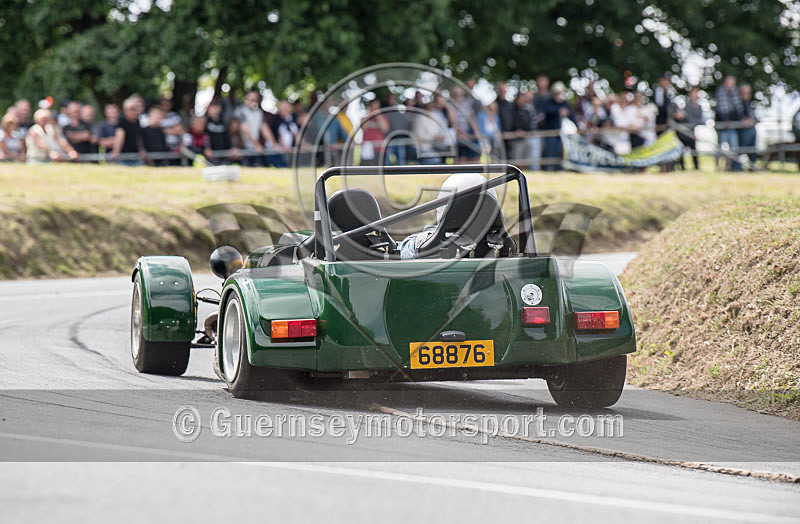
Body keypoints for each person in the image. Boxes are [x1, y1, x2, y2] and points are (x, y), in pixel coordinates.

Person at [541, 81, 575, 170]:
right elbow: (548, 112)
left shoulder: (565, 103)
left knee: (561, 153)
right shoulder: (548, 103)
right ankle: (549, 169)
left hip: (562, 134)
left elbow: (572, 116)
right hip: (551, 133)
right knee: (551, 153)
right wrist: (558, 111)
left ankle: (560, 169)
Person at [714, 75, 743, 171]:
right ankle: (717, 167)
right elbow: (722, 108)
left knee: (733, 146)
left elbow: (738, 107)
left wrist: (738, 119)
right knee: (720, 147)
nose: (731, 86)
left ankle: (728, 166)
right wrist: (726, 120)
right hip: (722, 124)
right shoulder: (721, 91)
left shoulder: (734, 92)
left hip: (732, 124)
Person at [673, 87, 704, 170]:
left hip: (693, 131)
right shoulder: (686, 106)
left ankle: (695, 167)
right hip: (684, 133)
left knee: (693, 150)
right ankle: (682, 167)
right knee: (682, 149)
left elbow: (697, 120)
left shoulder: (699, 107)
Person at [112, 96, 146, 166]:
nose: (135, 112)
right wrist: (116, 152)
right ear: (125, 110)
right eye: (132, 109)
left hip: (136, 156)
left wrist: (142, 150)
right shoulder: (122, 121)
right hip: (123, 157)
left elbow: (138, 138)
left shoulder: (137, 121)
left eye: (136, 109)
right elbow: (119, 137)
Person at [360, 99, 390, 165]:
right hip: (367, 148)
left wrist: (378, 116)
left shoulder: (383, 117)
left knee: (379, 166)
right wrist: (370, 114)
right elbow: (363, 127)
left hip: (379, 147)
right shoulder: (364, 118)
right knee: (366, 166)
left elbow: (385, 129)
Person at [384, 93, 410, 165]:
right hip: (388, 140)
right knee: (387, 161)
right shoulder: (384, 112)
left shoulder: (399, 114)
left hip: (399, 139)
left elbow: (404, 126)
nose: (391, 100)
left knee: (401, 160)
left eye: (393, 98)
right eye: (390, 98)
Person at [738, 84, 757, 169]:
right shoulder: (737, 104)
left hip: (751, 131)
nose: (746, 95)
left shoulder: (750, 104)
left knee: (753, 150)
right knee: (741, 149)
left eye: (748, 93)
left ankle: (752, 166)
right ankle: (737, 167)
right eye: (744, 93)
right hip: (742, 131)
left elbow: (753, 117)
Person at [495, 82, 515, 157]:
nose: (503, 92)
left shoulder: (510, 105)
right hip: (498, 136)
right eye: (501, 90)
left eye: (504, 90)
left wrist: (511, 134)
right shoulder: (494, 104)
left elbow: (513, 120)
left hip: (509, 136)